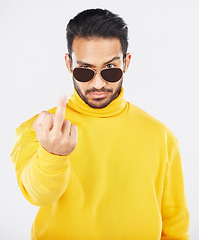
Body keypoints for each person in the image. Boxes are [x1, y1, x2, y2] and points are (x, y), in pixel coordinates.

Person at [11, 8, 190, 240]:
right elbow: (38, 195)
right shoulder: (41, 130)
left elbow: (175, 226)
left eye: (110, 70)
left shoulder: (161, 136)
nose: (98, 83)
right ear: (69, 64)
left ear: (126, 63)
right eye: (85, 71)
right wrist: (52, 154)